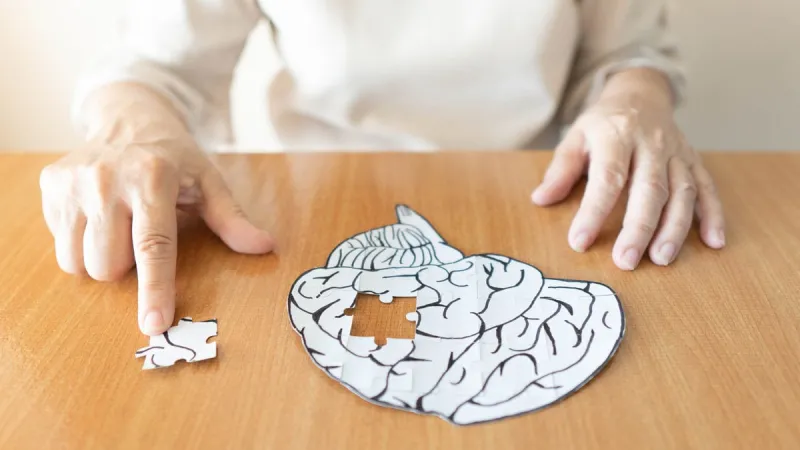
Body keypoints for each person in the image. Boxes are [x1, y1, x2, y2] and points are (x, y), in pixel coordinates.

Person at [39, 0, 725, 336]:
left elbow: (630, 49)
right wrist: (133, 133)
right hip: (302, 222)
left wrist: (635, 99)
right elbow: (154, 69)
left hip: (550, 206)